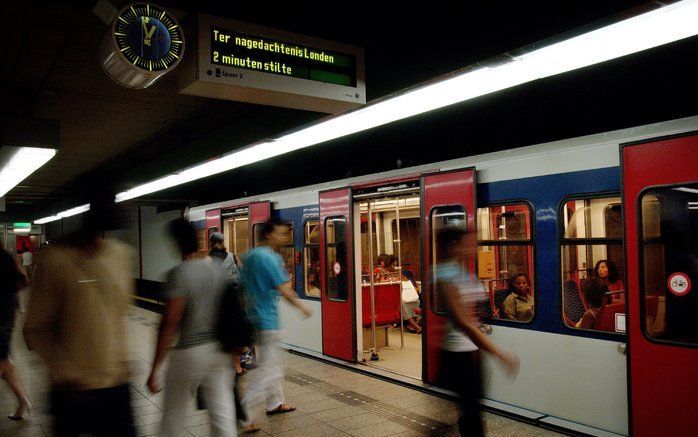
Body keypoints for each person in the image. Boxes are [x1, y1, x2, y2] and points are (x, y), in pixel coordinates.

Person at [24, 196, 136, 437]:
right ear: (94, 206)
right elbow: (35, 327)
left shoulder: (121, 255)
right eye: (116, 200)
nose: (125, 206)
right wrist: (63, 370)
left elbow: (115, 318)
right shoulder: (56, 258)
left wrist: (124, 360)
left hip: (117, 385)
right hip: (72, 390)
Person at [147, 218, 236, 437]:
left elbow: (170, 323)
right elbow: (231, 313)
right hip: (219, 352)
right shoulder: (218, 270)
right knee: (223, 416)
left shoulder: (178, 274)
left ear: (175, 244)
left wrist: (155, 368)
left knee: (173, 417)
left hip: (189, 353)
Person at [435, 226, 518, 436]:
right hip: (458, 354)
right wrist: (499, 353)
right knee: (471, 411)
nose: (474, 247)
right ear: (453, 246)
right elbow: (464, 322)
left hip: (471, 351)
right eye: (469, 243)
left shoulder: (463, 272)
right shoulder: (446, 276)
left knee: (472, 407)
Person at [239, 219, 312, 432]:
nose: (285, 238)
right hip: (267, 320)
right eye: (281, 234)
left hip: (256, 317)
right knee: (268, 371)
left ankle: (275, 403)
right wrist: (302, 307)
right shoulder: (268, 258)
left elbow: (242, 288)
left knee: (274, 365)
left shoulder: (250, 255)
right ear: (269, 234)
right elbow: (285, 289)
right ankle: (244, 413)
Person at [0, 248, 31, 421]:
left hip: (2, 319)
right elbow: (23, 281)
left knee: (4, 363)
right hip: (7, 316)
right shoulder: (6, 257)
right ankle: (22, 401)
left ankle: (22, 400)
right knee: (5, 363)